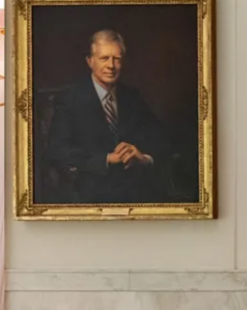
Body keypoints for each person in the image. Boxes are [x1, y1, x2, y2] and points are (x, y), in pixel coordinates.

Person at [44, 29, 173, 204]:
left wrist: (143, 157)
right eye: (104, 58)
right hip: (89, 190)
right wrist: (106, 159)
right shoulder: (70, 99)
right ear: (90, 61)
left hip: (136, 188)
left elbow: (161, 137)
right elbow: (57, 150)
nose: (111, 66)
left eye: (117, 59)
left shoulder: (132, 96)